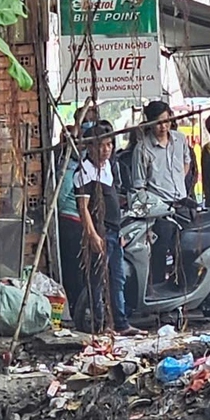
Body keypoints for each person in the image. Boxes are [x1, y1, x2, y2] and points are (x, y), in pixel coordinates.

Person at [76, 124, 138, 335]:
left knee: (117, 279)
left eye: (109, 144)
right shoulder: (84, 171)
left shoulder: (108, 167)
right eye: (101, 145)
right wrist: (92, 235)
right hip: (100, 233)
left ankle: (120, 323)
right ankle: (99, 325)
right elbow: (83, 208)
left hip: (114, 232)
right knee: (98, 281)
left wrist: (118, 232)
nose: (106, 149)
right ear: (90, 148)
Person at [135, 100, 197, 286]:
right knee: (160, 254)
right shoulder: (142, 148)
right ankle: (159, 295)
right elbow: (139, 185)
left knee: (187, 252)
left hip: (183, 206)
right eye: (158, 123)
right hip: (160, 211)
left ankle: (184, 293)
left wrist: (177, 184)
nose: (163, 126)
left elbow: (186, 163)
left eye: (166, 121)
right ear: (149, 123)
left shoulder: (180, 139)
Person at [55, 107, 98, 327]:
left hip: (84, 222)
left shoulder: (94, 165)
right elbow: (61, 198)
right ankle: (76, 313)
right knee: (73, 272)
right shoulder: (66, 162)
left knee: (87, 273)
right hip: (69, 221)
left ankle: (87, 314)